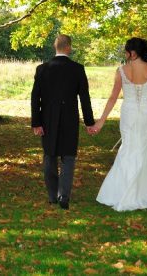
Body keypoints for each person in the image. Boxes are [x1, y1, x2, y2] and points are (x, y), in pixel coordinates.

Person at [90, 37, 147, 211]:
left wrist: (101, 121)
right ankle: (141, 192)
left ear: (133, 52)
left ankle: (123, 192)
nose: (125, 53)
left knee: (128, 148)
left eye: (127, 50)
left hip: (129, 112)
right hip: (146, 113)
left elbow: (113, 97)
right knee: (143, 148)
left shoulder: (121, 70)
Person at [30, 34, 96, 210]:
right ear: (69, 47)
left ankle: (52, 196)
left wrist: (36, 122)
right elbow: (84, 98)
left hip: (47, 119)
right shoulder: (77, 69)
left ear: (55, 47)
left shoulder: (42, 69)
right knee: (68, 157)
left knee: (49, 156)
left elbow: (35, 98)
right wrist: (89, 122)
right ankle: (63, 196)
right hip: (69, 118)